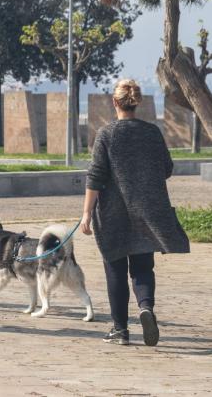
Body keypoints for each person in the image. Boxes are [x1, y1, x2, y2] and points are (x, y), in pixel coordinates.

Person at [80, 79, 190, 346]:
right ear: (137, 103)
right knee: (143, 268)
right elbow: (166, 168)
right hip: (146, 212)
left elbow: (95, 177)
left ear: (115, 102)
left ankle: (120, 329)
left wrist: (86, 214)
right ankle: (146, 308)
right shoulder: (152, 132)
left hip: (113, 214)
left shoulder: (106, 134)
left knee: (115, 267)